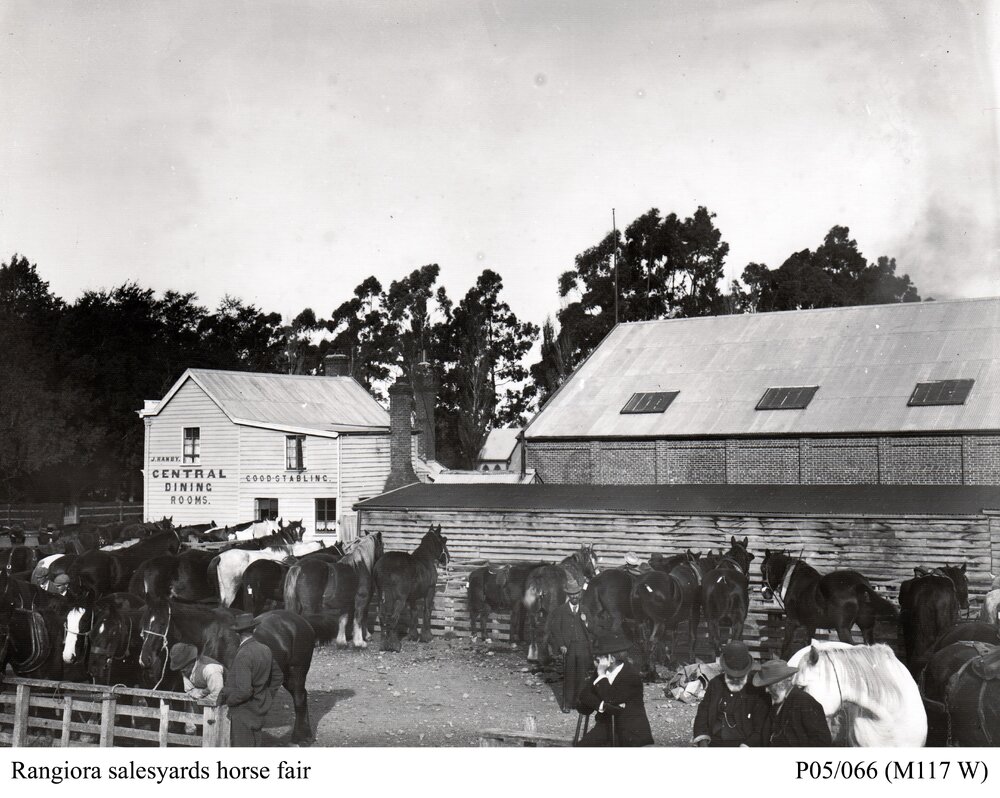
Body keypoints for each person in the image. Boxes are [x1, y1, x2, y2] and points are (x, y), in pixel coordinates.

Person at [218, 613, 284, 747]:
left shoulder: (243, 654)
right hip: (259, 709)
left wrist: (228, 701)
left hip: (243, 712)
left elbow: (244, 691)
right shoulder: (265, 649)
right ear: (254, 630)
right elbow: (278, 676)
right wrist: (266, 695)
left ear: (237, 634)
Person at [576, 634, 653, 747]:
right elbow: (584, 695)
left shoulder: (631, 675)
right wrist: (603, 706)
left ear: (611, 659)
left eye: (599, 656)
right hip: (606, 725)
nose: (596, 659)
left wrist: (601, 676)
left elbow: (611, 698)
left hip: (629, 730)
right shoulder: (601, 671)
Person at [693, 641, 770, 747]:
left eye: (740, 676)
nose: (735, 679)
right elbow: (703, 713)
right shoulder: (715, 684)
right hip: (714, 740)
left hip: (744, 743)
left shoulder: (756, 689)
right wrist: (702, 739)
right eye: (731, 675)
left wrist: (747, 745)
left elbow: (761, 728)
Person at [754, 659, 832, 746]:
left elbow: (822, 742)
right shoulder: (776, 702)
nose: (766, 690)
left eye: (769, 686)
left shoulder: (806, 703)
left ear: (781, 683)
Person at [545, 575, 592, 712]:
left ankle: (578, 702)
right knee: (569, 676)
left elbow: (592, 628)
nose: (574, 596)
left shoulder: (585, 610)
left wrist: (586, 621)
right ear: (568, 595)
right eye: (571, 594)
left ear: (580, 594)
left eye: (576, 594)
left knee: (581, 676)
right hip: (569, 648)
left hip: (582, 647)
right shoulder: (561, 610)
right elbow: (555, 629)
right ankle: (567, 704)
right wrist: (561, 645)